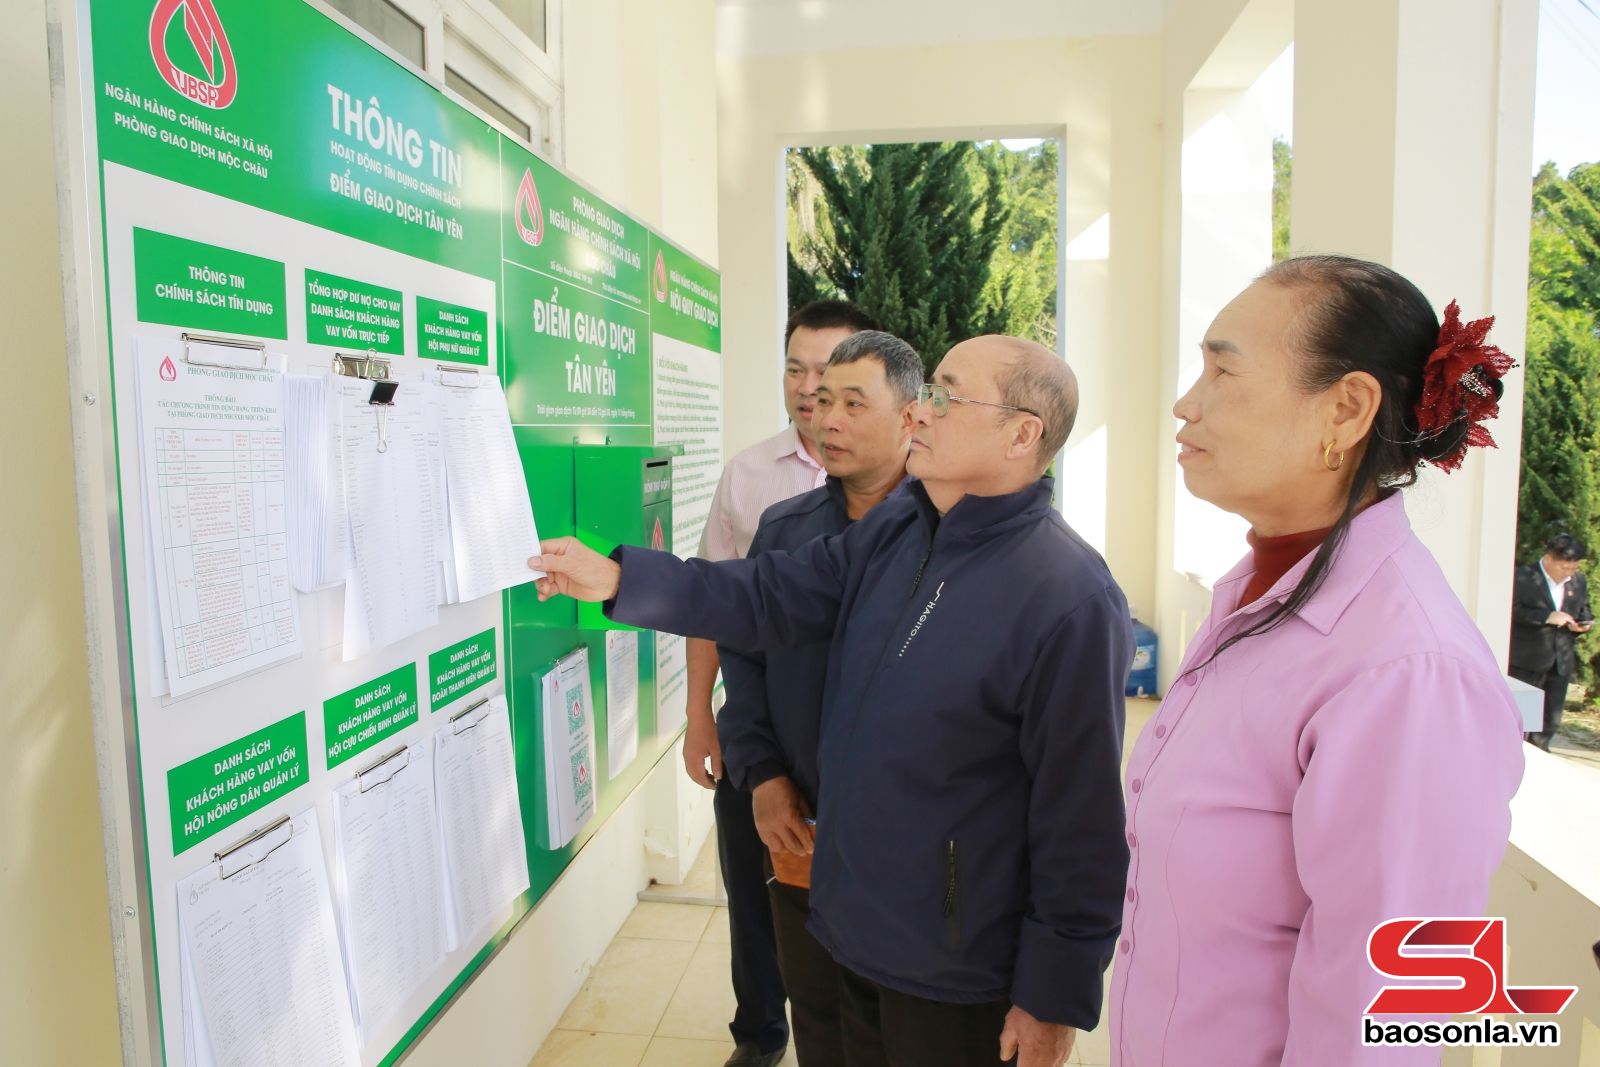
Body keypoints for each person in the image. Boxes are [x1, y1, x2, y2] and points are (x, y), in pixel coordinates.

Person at [531, 335, 1131, 1067]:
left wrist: (1054, 995)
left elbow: (1081, 817)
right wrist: (623, 581)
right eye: (928, 391)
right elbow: (768, 594)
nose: (922, 412)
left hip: (956, 964)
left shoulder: (1068, 596)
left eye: (946, 396)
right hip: (850, 925)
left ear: (1021, 435)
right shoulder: (901, 529)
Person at [1113, 254, 1525, 1065]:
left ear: (1346, 409)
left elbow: (1383, 1023)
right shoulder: (1260, 591)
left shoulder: (1409, 670)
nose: (1186, 403)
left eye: (1223, 371)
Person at [717, 330, 920, 1066]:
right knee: (820, 1011)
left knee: (900, 1020)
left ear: (911, 416)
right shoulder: (786, 529)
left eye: (852, 404)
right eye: (821, 400)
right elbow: (743, 656)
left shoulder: (951, 534)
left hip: (911, 841)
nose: (826, 419)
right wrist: (764, 775)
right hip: (801, 820)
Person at [685, 300, 878, 1067]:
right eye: (796, 370)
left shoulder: (909, 490)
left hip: (855, 752)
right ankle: (760, 1033)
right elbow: (716, 606)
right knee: (756, 893)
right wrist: (702, 717)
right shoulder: (751, 476)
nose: (808, 390)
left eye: (827, 375)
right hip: (760, 728)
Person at [1509, 533, 1593, 750]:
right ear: (1549, 559)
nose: (1570, 573)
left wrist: (1583, 624)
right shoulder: (1522, 577)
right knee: (1522, 717)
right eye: (1565, 567)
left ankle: (1542, 751)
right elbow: (1511, 610)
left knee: (1550, 719)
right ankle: (1517, 753)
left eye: (1574, 568)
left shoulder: (1578, 581)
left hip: (1560, 661)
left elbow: (1584, 609)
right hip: (1527, 660)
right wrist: (1546, 616)